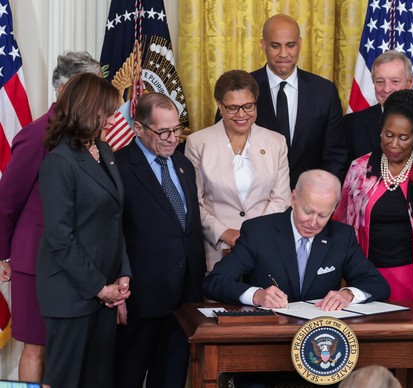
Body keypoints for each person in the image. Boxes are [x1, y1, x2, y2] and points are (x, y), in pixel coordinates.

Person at [0, 51, 101, 383]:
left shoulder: (92, 134)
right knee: (38, 345)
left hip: (79, 258)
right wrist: (2, 254)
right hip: (36, 260)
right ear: (65, 89)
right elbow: (7, 200)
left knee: (71, 346)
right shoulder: (36, 134)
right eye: (89, 86)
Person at [334, 90, 413, 331]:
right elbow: (341, 225)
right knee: (370, 351)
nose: (393, 144)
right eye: (388, 135)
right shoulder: (359, 169)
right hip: (366, 280)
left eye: (403, 137)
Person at [36, 72, 131, 388]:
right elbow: (60, 237)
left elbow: (115, 219)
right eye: (108, 111)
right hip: (71, 293)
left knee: (98, 380)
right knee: (66, 380)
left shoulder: (104, 152)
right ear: (88, 110)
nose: (113, 118)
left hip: (104, 291)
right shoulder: (59, 162)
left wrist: (122, 276)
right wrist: (99, 288)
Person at [113, 93, 206, 388]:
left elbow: (186, 228)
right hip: (141, 296)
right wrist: (118, 290)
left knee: (172, 378)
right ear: (138, 128)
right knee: (127, 376)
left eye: (176, 129)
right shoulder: (119, 168)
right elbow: (113, 234)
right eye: (163, 131)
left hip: (184, 298)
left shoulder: (184, 165)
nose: (172, 138)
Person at [204, 169, 390, 310]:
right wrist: (257, 295)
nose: (313, 222)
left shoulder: (342, 236)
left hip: (320, 336)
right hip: (268, 333)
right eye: (308, 212)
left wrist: (348, 294)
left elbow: (378, 284)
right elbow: (215, 282)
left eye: (323, 215)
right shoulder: (258, 232)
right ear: (293, 199)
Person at [186, 70, 291, 272]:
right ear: (219, 104)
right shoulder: (198, 143)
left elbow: (281, 199)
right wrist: (226, 234)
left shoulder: (276, 142)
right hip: (216, 252)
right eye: (232, 108)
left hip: (266, 249)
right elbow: (194, 203)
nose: (242, 114)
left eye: (248, 106)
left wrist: (254, 236)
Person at [251, 14, 347, 187]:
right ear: (263, 45)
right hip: (256, 204)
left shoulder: (325, 91)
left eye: (290, 45)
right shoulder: (244, 88)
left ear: (300, 44)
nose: (283, 54)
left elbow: (335, 155)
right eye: (275, 46)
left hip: (310, 201)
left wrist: (320, 196)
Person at [343, 50, 413, 166]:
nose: (386, 89)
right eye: (380, 81)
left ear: (410, 82)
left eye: (395, 81)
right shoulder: (352, 124)